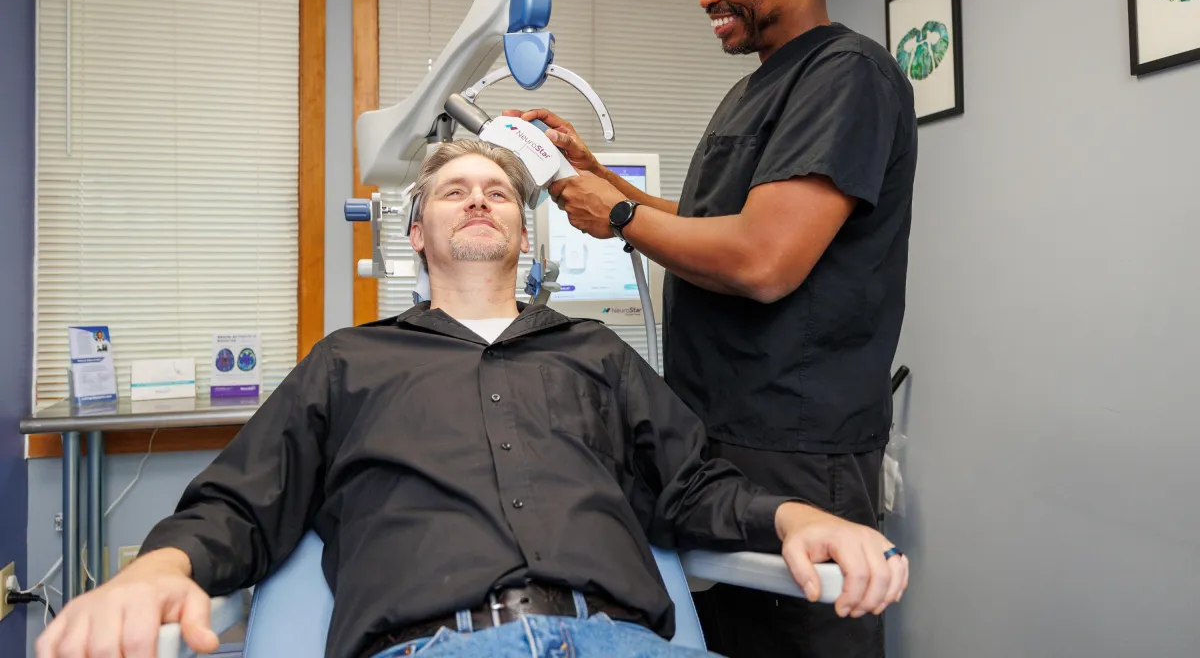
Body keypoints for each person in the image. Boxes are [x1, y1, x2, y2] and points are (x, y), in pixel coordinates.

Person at [36, 141, 907, 658]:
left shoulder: (596, 354)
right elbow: (240, 504)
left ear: (526, 235)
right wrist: (157, 570)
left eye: (499, 192)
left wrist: (795, 516)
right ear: (417, 234)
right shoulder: (349, 363)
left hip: (625, 644)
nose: (480, 200)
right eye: (454, 191)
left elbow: (692, 488)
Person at [505, 0, 918, 658]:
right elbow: (712, 230)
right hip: (721, 441)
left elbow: (764, 260)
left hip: (797, 450)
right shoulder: (758, 88)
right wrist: (599, 176)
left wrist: (618, 217)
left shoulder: (846, 75)